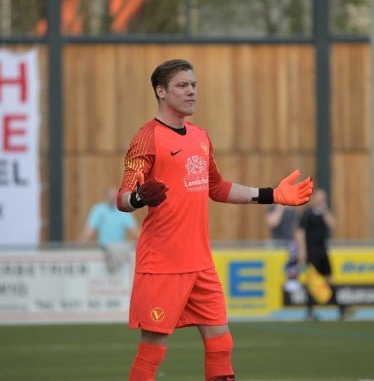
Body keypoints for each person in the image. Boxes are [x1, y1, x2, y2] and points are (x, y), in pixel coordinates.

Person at [116, 59, 314, 381]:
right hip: (163, 263)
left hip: (201, 263)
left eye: (194, 85)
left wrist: (271, 195)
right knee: (153, 349)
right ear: (161, 91)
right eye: (183, 85)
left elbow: (217, 188)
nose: (192, 91)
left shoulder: (200, 136)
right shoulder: (147, 137)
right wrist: (139, 198)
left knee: (221, 343)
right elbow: (123, 198)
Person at [295, 188, 346, 321]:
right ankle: (310, 311)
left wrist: (325, 212)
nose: (321, 202)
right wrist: (302, 252)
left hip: (323, 252)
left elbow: (333, 225)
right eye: (319, 199)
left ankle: (340, 308)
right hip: (312, 253)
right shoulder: (307, 214)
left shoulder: (324, 214)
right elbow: (300, 234)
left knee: (330, 280)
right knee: (311, 283)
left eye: (323, 199)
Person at [78, 186, 140, 272]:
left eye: (114, 196)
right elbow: (90, 229)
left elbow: (134, 230)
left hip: (119, 251)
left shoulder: (123, 210)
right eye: (109, 196)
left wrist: (144, 242)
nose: (112, 198)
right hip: (102, 251)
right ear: (105, 196)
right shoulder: (98, 210)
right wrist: (80, 243)